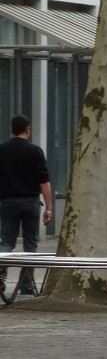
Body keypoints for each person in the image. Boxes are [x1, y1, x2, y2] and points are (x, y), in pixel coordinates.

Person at [0, 114, 54, 295]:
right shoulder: (35, 151)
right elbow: (44, 181)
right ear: (28, 130)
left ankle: (1, 275)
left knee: (6, 241)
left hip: (7, 202)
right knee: (30, 244)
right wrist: (49, 207)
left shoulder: (2, 149)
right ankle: (26, 284)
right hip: (30, 201)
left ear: (11, 130)